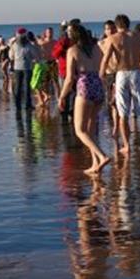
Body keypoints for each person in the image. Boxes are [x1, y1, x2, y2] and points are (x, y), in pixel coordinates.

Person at [59, 24, 110, 175]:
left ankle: (102, 156)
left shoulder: (72, 51)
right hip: (98, 84)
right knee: (90, 129)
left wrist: (62, 96)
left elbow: (69, 79)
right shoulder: (96, 48)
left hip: (85, 85)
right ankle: (95, 163)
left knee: (80, 130)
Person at [100, 14, 140, 154]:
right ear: (128, 24)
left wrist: (101, 75)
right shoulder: (138, 37)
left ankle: (127, 146)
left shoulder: (113, 38)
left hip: (121, 74)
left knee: (123, 113)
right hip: (135, 72)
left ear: (116, 26)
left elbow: (105, 59)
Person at [9, 28, 39, 111]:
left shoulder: (14, 45)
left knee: (19, 86)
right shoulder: (29, 45)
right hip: (26, 68)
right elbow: (35, 55)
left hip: (19, 67)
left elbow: (11, 56)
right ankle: (27, 105)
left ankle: (18, 104)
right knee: (25, 87)